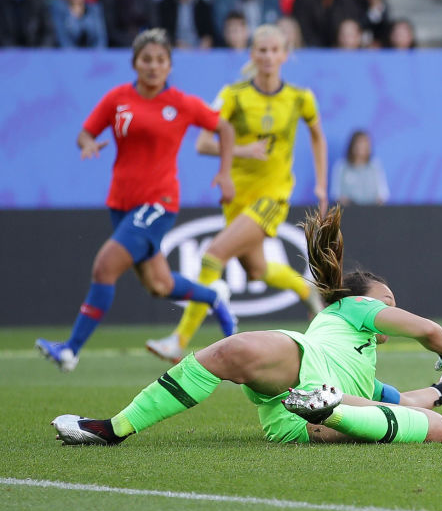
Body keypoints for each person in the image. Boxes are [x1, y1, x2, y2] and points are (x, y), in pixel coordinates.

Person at [53, 206, 442, 446]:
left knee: (436, 426)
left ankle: (330, 409)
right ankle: (115, 428)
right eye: (388, 300)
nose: (391, 308)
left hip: (299, 421)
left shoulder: (363, 368)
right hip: (302, 366)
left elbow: (405, 398)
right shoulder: (352, 308)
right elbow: (428, 331)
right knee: (230, 353)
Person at [35, 29, 237, 373]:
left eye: (161, 60)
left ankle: (71, 350)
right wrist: (86, 144)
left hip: (159, 202)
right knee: (160, 285)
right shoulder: (117, 99)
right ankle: (215, 298)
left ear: (170, 65)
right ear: (134, 63)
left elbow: (225, 129)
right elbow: (86, 132)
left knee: (104, 266)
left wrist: (226, 172)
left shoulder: (182, 103)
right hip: (121, 203)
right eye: (147, 59)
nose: (153, 66)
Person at [145, 24, 329, 363]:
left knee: (213, 255)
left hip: (272, 196)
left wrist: (320, 183)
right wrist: (243, 150)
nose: (268, 57)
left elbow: (318, 136)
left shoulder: (300, 98)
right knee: (257, 271)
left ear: (284, 56)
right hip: (236, 198)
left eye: (275, 50)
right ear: (252, 55)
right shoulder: (233, 94)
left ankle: (179, 340)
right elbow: (202, 143)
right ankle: (307, 289)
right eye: (262, 50)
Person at [332, 130, 389, 205]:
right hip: (349, 211)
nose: (362, 147)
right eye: (359, 143)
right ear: (352, 146)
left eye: (365, 144)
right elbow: (336, 194)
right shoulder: (342, 167)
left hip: (372, 211)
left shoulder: (375, 166)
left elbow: (383, 194)